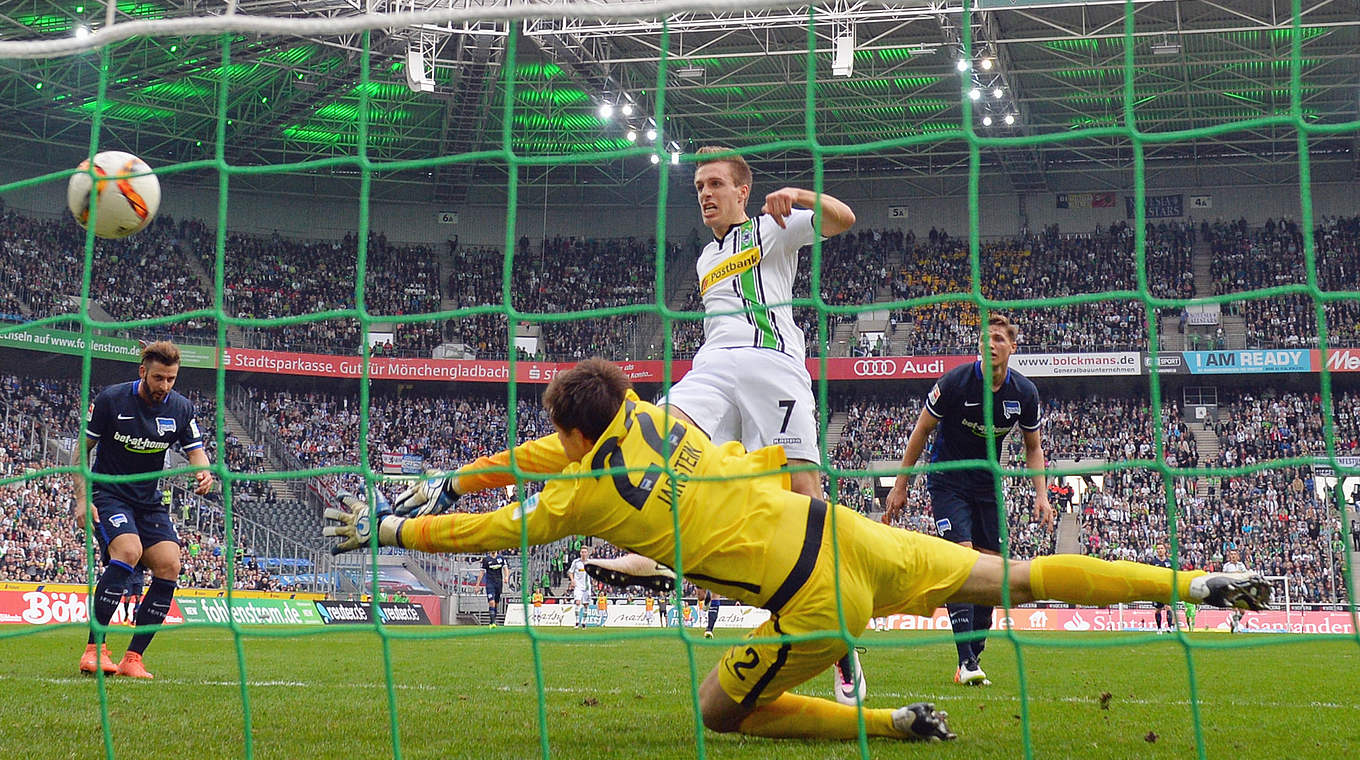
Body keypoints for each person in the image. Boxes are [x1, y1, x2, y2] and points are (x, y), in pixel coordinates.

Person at [324, 358, 1270, 743]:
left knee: (715, 714)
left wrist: (397, 526)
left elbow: (495, 529)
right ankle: (1196, 580)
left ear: (575, 435)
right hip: (847, 529)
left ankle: (895, 724)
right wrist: (462, 473)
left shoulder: (581, 501)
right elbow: (529, 455)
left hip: (814, 601)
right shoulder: (657, 415)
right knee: (1012, 576)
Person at [596, 145, 865, 703]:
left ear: (743, 191)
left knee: (805, 494)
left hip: (772, 364)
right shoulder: (701, 259)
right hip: (713, 366)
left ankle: (840, 642)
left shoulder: (775, 225)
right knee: (654, 435)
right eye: (698, 187)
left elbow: (845, 219)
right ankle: (652, 560)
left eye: (716, 184)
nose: (705, 194)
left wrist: (799, 196)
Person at [882, 315, 1054, 687]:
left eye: (998, 339)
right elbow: (921, 430)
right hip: (947, 478)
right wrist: (900, 486)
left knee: (993, 571)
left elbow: (1033, 446)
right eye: (984, 338)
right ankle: (967, 662)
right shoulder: (956, 382)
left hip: (987, 483)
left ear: (1012, 347)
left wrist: (1042, 495)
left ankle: (973, 651)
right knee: (961, 560)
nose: (990, 344)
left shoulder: (1024, 393)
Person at [74, 341, 214, 678]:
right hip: (110, 494)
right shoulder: (111, 399)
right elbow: (83, 450)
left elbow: (196, 450)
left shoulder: (181, 408)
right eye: (158, 378)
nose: (164, 386)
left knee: (169, 565)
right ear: (142, 372)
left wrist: (204, 471)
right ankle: (95, 650)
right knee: (128, 550)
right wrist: (82, 498)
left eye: (171, 379)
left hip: (149, 501)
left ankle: (132, 658)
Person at [1150, 545, 1174, 633]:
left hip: (1167, 588)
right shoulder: (1153, 562)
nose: (1160, 550)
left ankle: (1170, 627)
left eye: (1162, 548)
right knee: (1158, 609)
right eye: (1158, 549)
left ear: (1165, 550)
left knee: (1168, 607)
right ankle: (1159, 628)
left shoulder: (1170, 562)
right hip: (1157, 589)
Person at [481, 550, 506, 627]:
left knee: (496, 603)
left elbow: (505, 568)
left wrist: (507, 576)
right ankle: (493, 622)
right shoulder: (486, 560)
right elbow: (481, 572)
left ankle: (493, 620)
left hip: (498, 583)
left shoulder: (501, 558)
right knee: (491, 602)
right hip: (490, 583)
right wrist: (477, 585)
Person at [568, 547, 591, 629]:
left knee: (586, 605)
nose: (584, 553)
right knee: (577, 602)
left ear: (587, 553)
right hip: (578, 585)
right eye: (582, 552)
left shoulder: (590, 562)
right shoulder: (576, 562)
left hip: (587, 586)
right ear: (580, 553)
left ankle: (584, 622)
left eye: (585, 552)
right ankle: (577, 622)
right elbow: (570, 572)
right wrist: (572, 580)